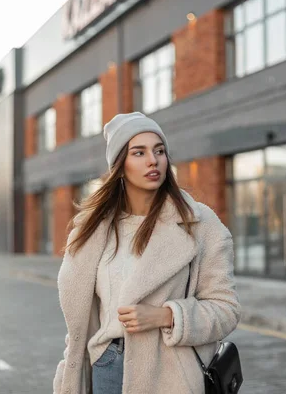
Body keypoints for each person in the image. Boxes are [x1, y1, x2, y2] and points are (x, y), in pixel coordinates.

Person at [53, 112, 241, 394]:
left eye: (159, 151)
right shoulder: (92, 229)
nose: (153, 160)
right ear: (120, 164)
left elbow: (226, 309)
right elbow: (82, 321)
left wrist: (167, 316)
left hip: (169, 375)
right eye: (138, 152)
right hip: (107, 366)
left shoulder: (199, 224)